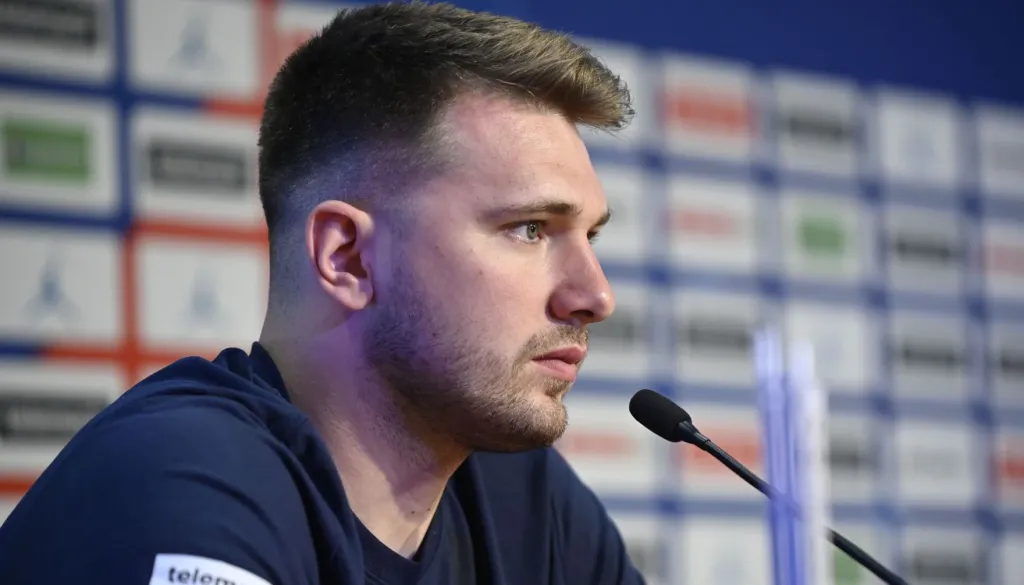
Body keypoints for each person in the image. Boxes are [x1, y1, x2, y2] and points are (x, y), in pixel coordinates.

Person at [0, 2, 645, 584]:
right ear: (348, 258)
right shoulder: (186, 482)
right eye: (531, 229)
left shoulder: (520, 503)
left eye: (590, 235)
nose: (596, 296)